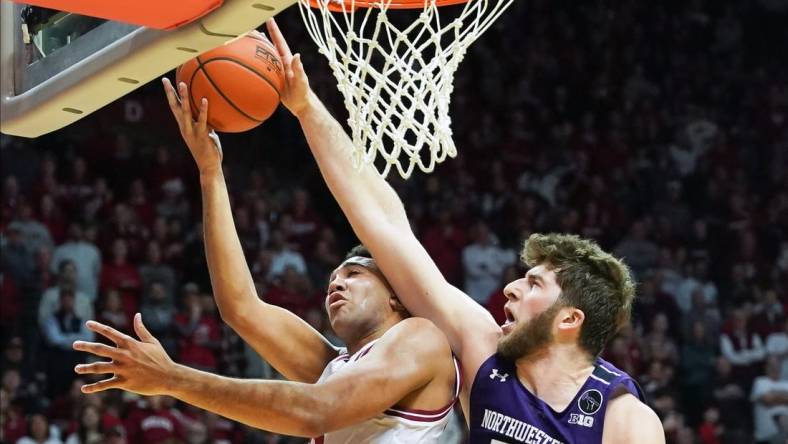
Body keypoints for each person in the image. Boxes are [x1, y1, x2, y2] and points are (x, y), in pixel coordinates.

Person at [258, 18, 664, 444]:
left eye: (534, 284)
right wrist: (306, 108)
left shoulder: (624, 419)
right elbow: (387, 226)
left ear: (569, 318)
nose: (509, 289)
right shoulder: (483, 352)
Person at [71, 36, 459, 442]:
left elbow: (316, 411)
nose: (336, 282)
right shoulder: (338, 367)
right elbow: (240, 307)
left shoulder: (420, 338)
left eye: (354, 274)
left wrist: (173, 378)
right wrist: (210, 171)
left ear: (396, 296)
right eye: (334, 277)